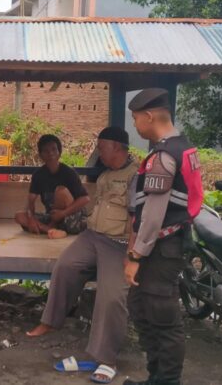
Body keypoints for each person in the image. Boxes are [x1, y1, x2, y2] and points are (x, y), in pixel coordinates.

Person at [27, 127, 139, 384]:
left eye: (102, 147)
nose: (98, 152)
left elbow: (139, 219)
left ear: (117, 147)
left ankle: (107, 358)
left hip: (119, 243)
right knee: (65, 266)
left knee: (111, 296)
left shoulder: (137, 176)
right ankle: (51, 321)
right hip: (93, 236)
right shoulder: (106, 174)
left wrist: (133, 255)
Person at [124, 88, 204, 385]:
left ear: (149, 116)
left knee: (162, 317)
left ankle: (167, 381)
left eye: (135, 118)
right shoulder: (182, 147)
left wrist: (135, 255)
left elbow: (154, 213)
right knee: (141, 307)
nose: (134, 125)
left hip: (162, 247)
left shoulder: (164, 156)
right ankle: (155, 377)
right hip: (164, 244)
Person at [14, 134, 90, 239]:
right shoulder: (38, 175)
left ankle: (50, 227)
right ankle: (51, 230)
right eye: (46, 151)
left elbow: (85, 199)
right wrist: (31, 219)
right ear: (41, 155)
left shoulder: (69, 173)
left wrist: (63, 213)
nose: (50, 153)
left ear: (59, 152)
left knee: (60, 191)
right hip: (53, 217)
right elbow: (31, 201)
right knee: (19, 216)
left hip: (73, 218)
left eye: (54, 149)